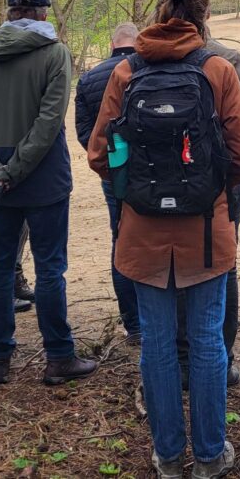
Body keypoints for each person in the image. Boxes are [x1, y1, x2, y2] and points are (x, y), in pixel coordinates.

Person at [87, 0, 240, 479]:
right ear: (202, 17)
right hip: (206, 230)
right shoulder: (217, 69)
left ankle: (167, 457)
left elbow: (99, 153)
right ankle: (209, 456)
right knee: (207, 339)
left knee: (158, 343)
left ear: (159, 14)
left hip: (140, 230)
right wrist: (213, 185)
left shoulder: (126, 70)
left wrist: (133, 186)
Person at [0, 0, 96, 387]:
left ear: (10, 11)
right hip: (44, 176)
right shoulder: (55, 54)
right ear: (44, 14)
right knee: (50, 269)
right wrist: (13, 169)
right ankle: (59, 358)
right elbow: (49, 123)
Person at [194, 13, 240, 387]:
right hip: (221, 184)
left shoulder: (142, 61)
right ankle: (221, 360)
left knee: (168, 266)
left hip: (157, 189)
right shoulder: (228, 59)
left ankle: (180, 360)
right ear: (205, 16)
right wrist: (229, 182)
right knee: (223, 263)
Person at [74, 21, 141, 341]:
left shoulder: (89, 78)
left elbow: (85, 134)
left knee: (122, 242)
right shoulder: (145, 69)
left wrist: (108, 162)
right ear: (136, 42)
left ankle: (133, 324)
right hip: (150, 173)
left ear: (113, 44)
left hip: (114, 173)